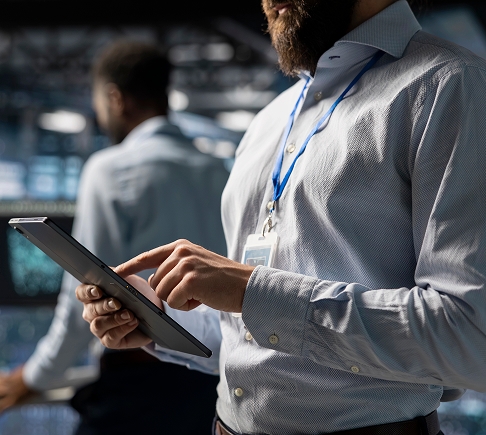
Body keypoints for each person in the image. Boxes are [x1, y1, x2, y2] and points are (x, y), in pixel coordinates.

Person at [76, 0, 486, 434]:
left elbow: (469, 337)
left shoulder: (450, 86)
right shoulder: (269, 122)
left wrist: (253, 291)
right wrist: (158, 320)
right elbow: (258, 338)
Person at [0, 40, 229, 434]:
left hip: (138, 387)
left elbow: (86, 295)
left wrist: (31, 379)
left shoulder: (109, 170)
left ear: (115, 98)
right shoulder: (219, 170)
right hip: (212, 382)